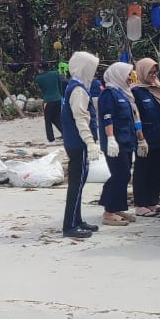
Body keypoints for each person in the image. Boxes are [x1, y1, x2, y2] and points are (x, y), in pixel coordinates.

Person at [60, 51, 103, 239]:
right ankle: (69, 225)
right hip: (78, 143)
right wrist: (90, 142)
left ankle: (77, 220)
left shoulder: (76, 86)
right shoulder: (78, 90)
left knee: (79, 183)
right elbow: (81, 119)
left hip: (74, 142)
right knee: (76, 185)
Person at [98, 62, 145, 226]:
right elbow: (107, 117)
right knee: (121, 174)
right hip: (115, 142)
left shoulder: (125, 93)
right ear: (118, 74)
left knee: (124, 174)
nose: (131, 77)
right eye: (128, 74)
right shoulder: (109, 94)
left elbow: (133, 117)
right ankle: (108, 211)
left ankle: (116, 207)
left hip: (126, 140)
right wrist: (110, 138)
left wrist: (140, 139)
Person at [131, 57, 160, 216]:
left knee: (157, 169)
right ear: (141, 72)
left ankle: (152, 201)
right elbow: (135, 117)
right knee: (143, 169)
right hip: (145, 138)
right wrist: (140, 138)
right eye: (150, 72)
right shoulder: (136, 92)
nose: (153, 75)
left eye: (155, 72)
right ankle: (141, 204)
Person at [34, 64, 66, 142]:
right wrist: (61, 96)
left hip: (48, 101)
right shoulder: (55, 73)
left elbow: (43, 90)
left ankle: (51, 139)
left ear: (40, 69)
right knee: (57, 118)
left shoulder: (38, 78)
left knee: (48, 120)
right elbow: (59, 86)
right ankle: (65, 134)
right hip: (58, 98)